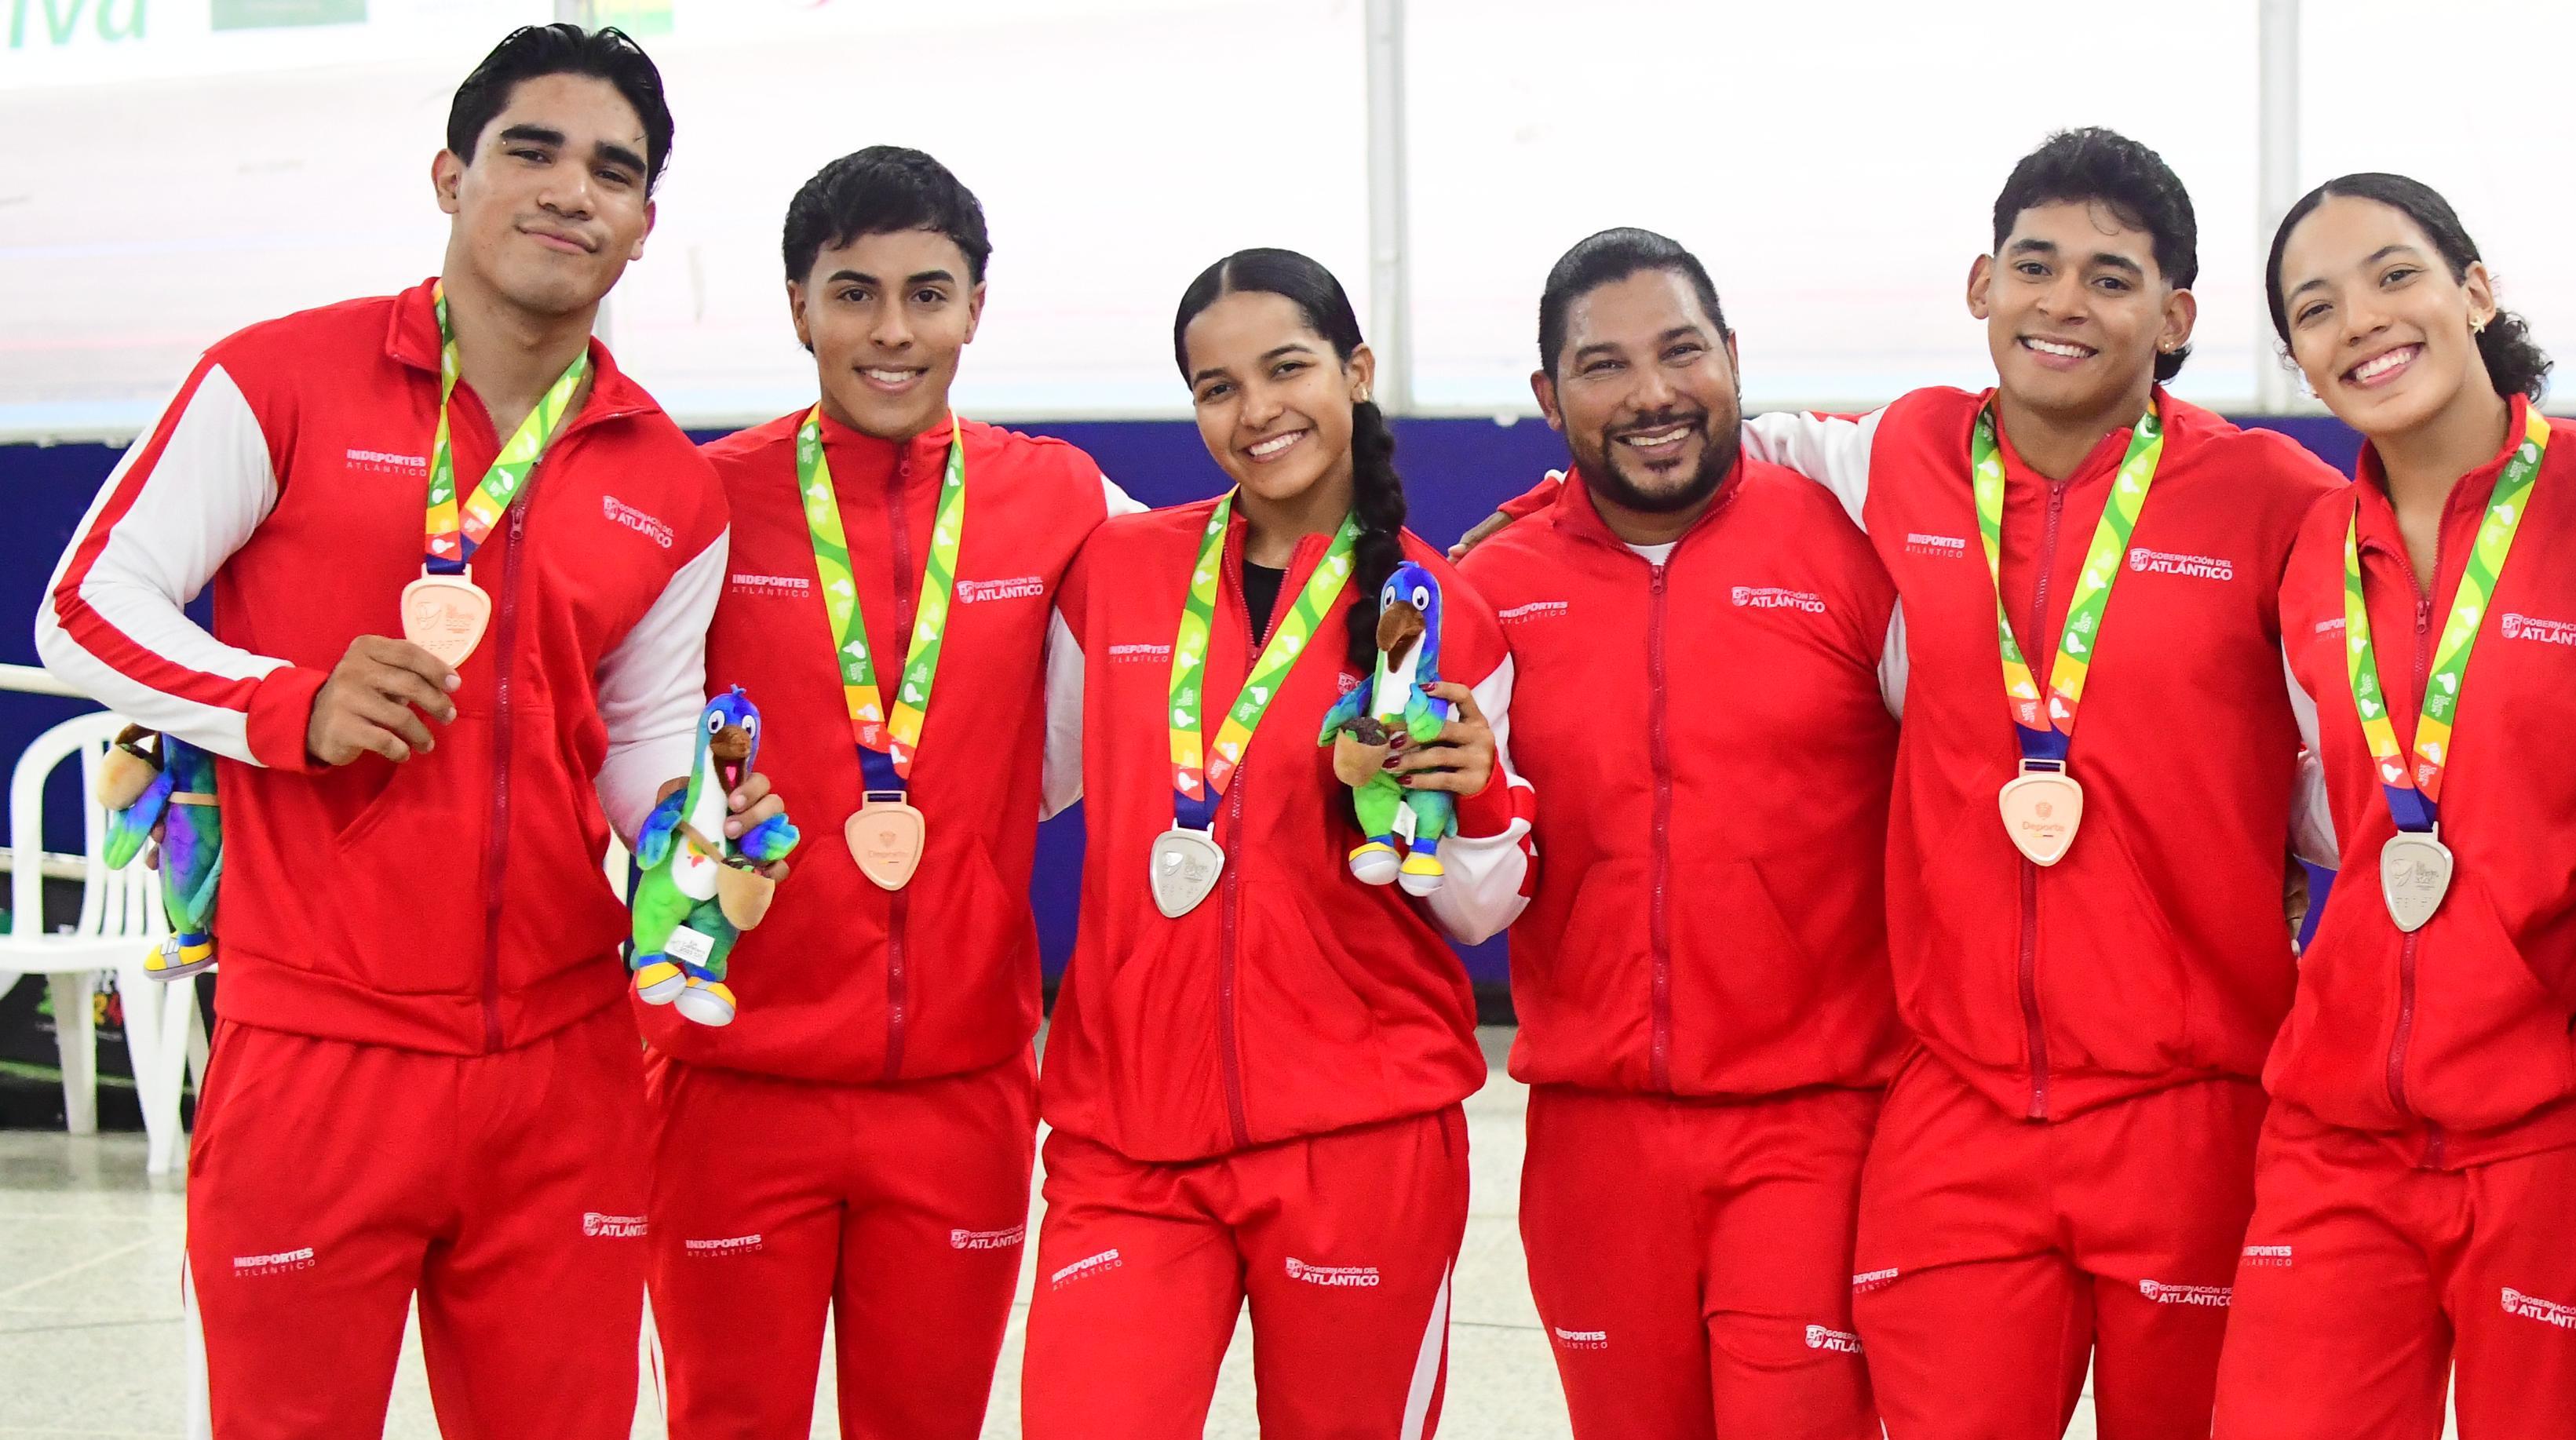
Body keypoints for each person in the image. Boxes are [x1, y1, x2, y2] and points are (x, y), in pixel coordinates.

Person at [1465, 128, 2341, 1438]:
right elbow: (1696, 454)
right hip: (1960, 1114)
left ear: (2177, 316)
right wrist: (1543, 508)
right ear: (1981, 284)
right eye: (2035, 266)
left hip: (2194, 1111)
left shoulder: (2278, 498)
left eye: (2111, 277)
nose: (2063, 302)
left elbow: (2362, 735)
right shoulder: (1901, 456)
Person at [32, 25, 779, 1436]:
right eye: (531, 151)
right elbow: (87, 604)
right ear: (451, 174)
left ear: (644, 225)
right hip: (320, 1051)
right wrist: (285, 703)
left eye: (611, 172)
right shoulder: (280, 381)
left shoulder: (669, 482)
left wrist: (696, 825)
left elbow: (641, 728)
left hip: (565, 1066)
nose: (571, 191)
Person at [644, 146, 1140, 1440]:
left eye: (929, 292)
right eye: (853, 292)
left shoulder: (1064, 496)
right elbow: (623, 737)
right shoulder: (704, 498)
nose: (892, 331)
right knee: (728, 1421)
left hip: (961, 1085)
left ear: (977, 305)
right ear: (798, 305)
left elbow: (1202, 632)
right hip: (732, 1080)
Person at [1020, 248, 1534, 1440]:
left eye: (1287, 368)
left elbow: (1479, 907)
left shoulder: (1443, 607)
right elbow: (1023, 783)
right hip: (1127, 1142)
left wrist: (1482, 797)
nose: (1255, 412)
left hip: (1361, 1145)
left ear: (1355, 372)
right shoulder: (1122, 573)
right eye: (1216, 386)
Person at [1458, 228, 1905, 1440]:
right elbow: (1463, 878)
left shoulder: (1855, 548)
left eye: (1682, 352)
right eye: (1604, 367)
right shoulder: (1488, 587)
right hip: (1593, 1148)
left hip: (1819, 1130)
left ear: (1733, 359)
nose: (1653, 394)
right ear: (1549, 398)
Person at [2213, 174, 2576, 1440]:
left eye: (2396, 276)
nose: (2364, 323)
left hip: (2560, 1130)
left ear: (2476, 291)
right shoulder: (2308, 552)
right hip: (2338, 1128)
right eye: (2316, 307)